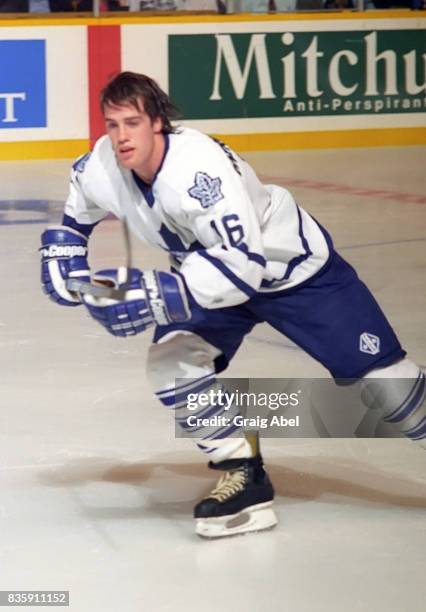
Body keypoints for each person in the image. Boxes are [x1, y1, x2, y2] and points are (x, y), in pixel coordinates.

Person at [40, 71, 426, 539]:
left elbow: (244, 264)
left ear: (158, 122)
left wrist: (157, 294)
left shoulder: (200, 171)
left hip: (292, 273)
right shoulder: (102, 165)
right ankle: (246, 476)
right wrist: (66, 255)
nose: (121, 136)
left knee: (387, 384)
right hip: (207, 274)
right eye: (112, 124)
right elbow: (77, 211)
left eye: (132, 122)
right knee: (172, 362)